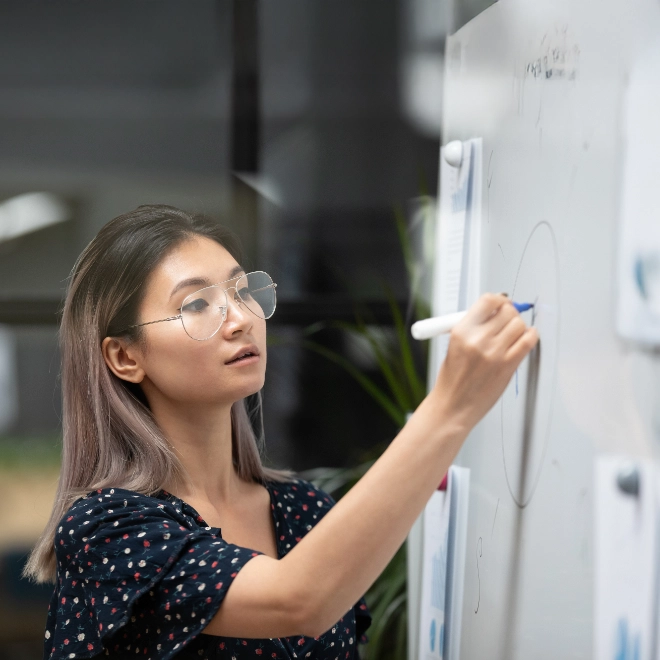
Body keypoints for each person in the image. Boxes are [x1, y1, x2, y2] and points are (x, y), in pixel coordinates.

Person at [24, 205, 538, 660]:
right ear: (124, 356)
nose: (241, 319)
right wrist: (450, 407)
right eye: (197, 304)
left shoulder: (303, 510)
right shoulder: (106, 530)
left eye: (242, 291)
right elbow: (299, 600)